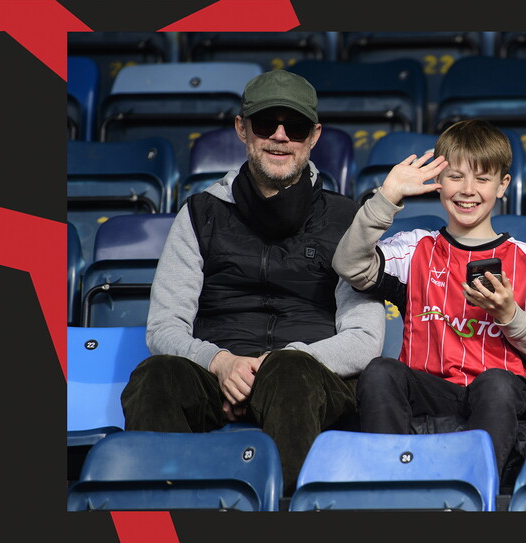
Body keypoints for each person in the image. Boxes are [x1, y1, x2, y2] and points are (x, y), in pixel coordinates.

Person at [120, 69, 386, 493]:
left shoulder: (346, 219)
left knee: (289, 371)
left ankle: (287, 509)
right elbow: (164, 327)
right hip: (219, 372)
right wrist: (220, 362)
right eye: (266, 123)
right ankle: (166, 512)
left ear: (314, 136)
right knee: (156, 376)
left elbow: (364, 338)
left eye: (295, 127)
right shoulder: (200, 213)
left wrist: (273, 365)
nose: (280, 136)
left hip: (309, 378)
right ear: (242, 129)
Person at [332, 119, 526, 487]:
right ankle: (389, 491)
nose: (468, 190)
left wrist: (509, 316)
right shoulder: (415, 248)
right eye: (456, 177)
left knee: (495, 383)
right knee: (380, 371)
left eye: (482, 179)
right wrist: (387, 196)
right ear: (438, 181)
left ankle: (473, 495)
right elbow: (349, 265)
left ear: (503, 185)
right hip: (433, 392)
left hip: (503, 397)